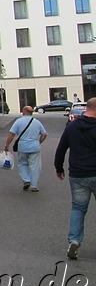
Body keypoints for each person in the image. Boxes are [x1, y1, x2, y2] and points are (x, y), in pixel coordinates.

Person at [55, 97, 96, 260]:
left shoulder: (72, 126)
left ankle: (74, 240)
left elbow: (61, 148)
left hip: (78, 174)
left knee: (78, 208)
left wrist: (59, 168)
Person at [4, 106, 47, 192]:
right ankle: (34, 186)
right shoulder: (37, 122)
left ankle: (26, 180)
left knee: (22, 163)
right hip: (35, 146)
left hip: (22, 147)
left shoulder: (18, 121)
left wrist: (7, 145)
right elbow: (44, 134)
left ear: (24, 112)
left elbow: (12, 134)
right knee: (34, 166)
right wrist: (38, 142)